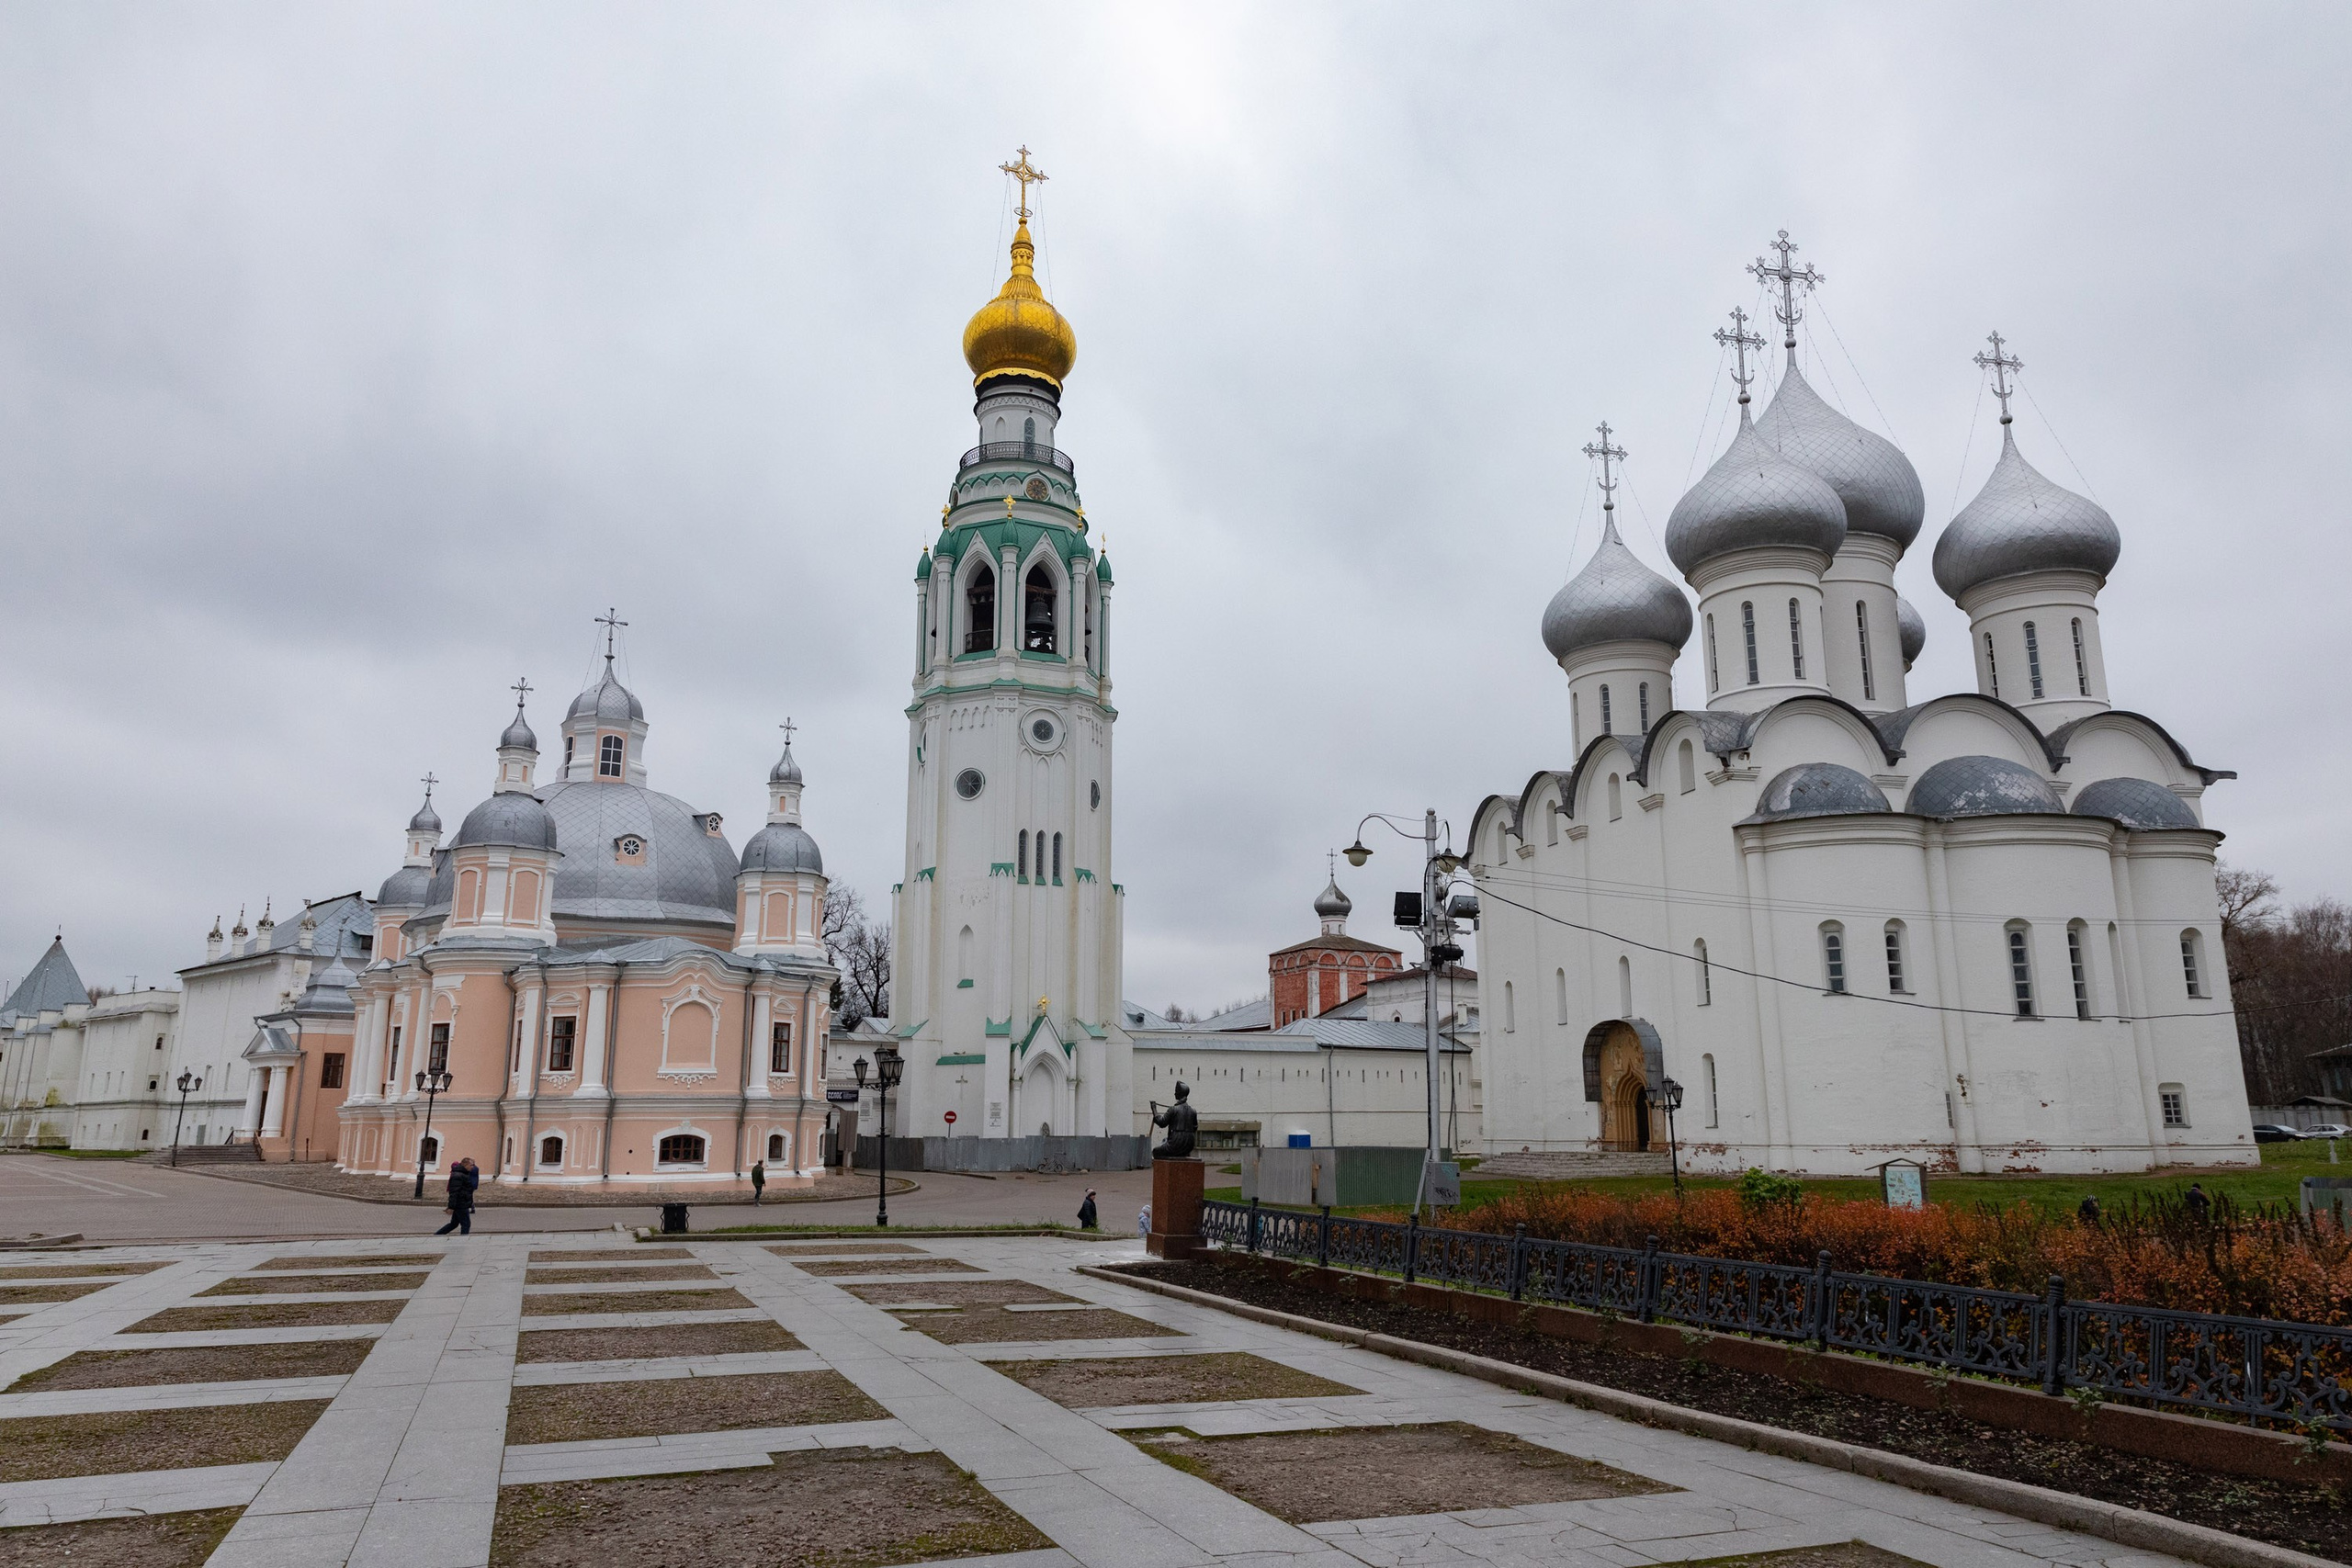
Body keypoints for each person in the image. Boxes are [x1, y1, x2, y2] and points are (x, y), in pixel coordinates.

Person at [435, 1156, 479, 1235]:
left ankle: (437, 1235)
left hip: (463, 1202)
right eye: (472, 1165)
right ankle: (463, 1240)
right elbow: (454, 1192)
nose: (473, 1167)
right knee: (466, 1224)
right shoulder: (458, 1175)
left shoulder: (464, 1174)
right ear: (465, 1164)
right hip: (461, 1203)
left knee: (454, 1224)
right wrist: (451, 1207)